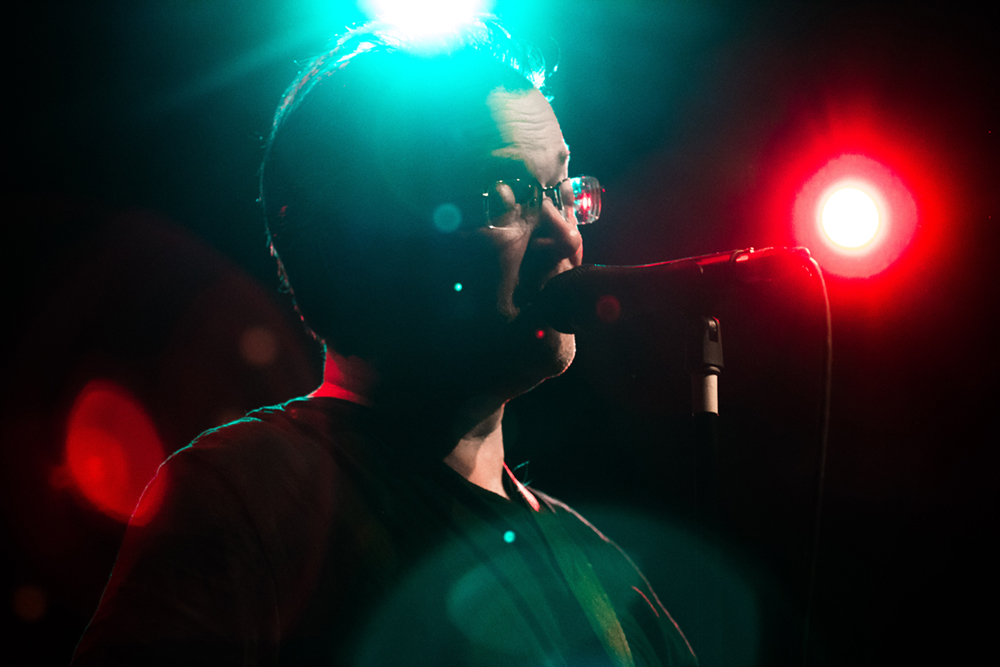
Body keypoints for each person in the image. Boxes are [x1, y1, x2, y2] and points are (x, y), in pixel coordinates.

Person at [71, 17, 697, 666]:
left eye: (564, 192)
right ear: (357, 249)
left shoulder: (602, 573)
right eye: (498, 195)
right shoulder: (248, 497)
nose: (566, 238)